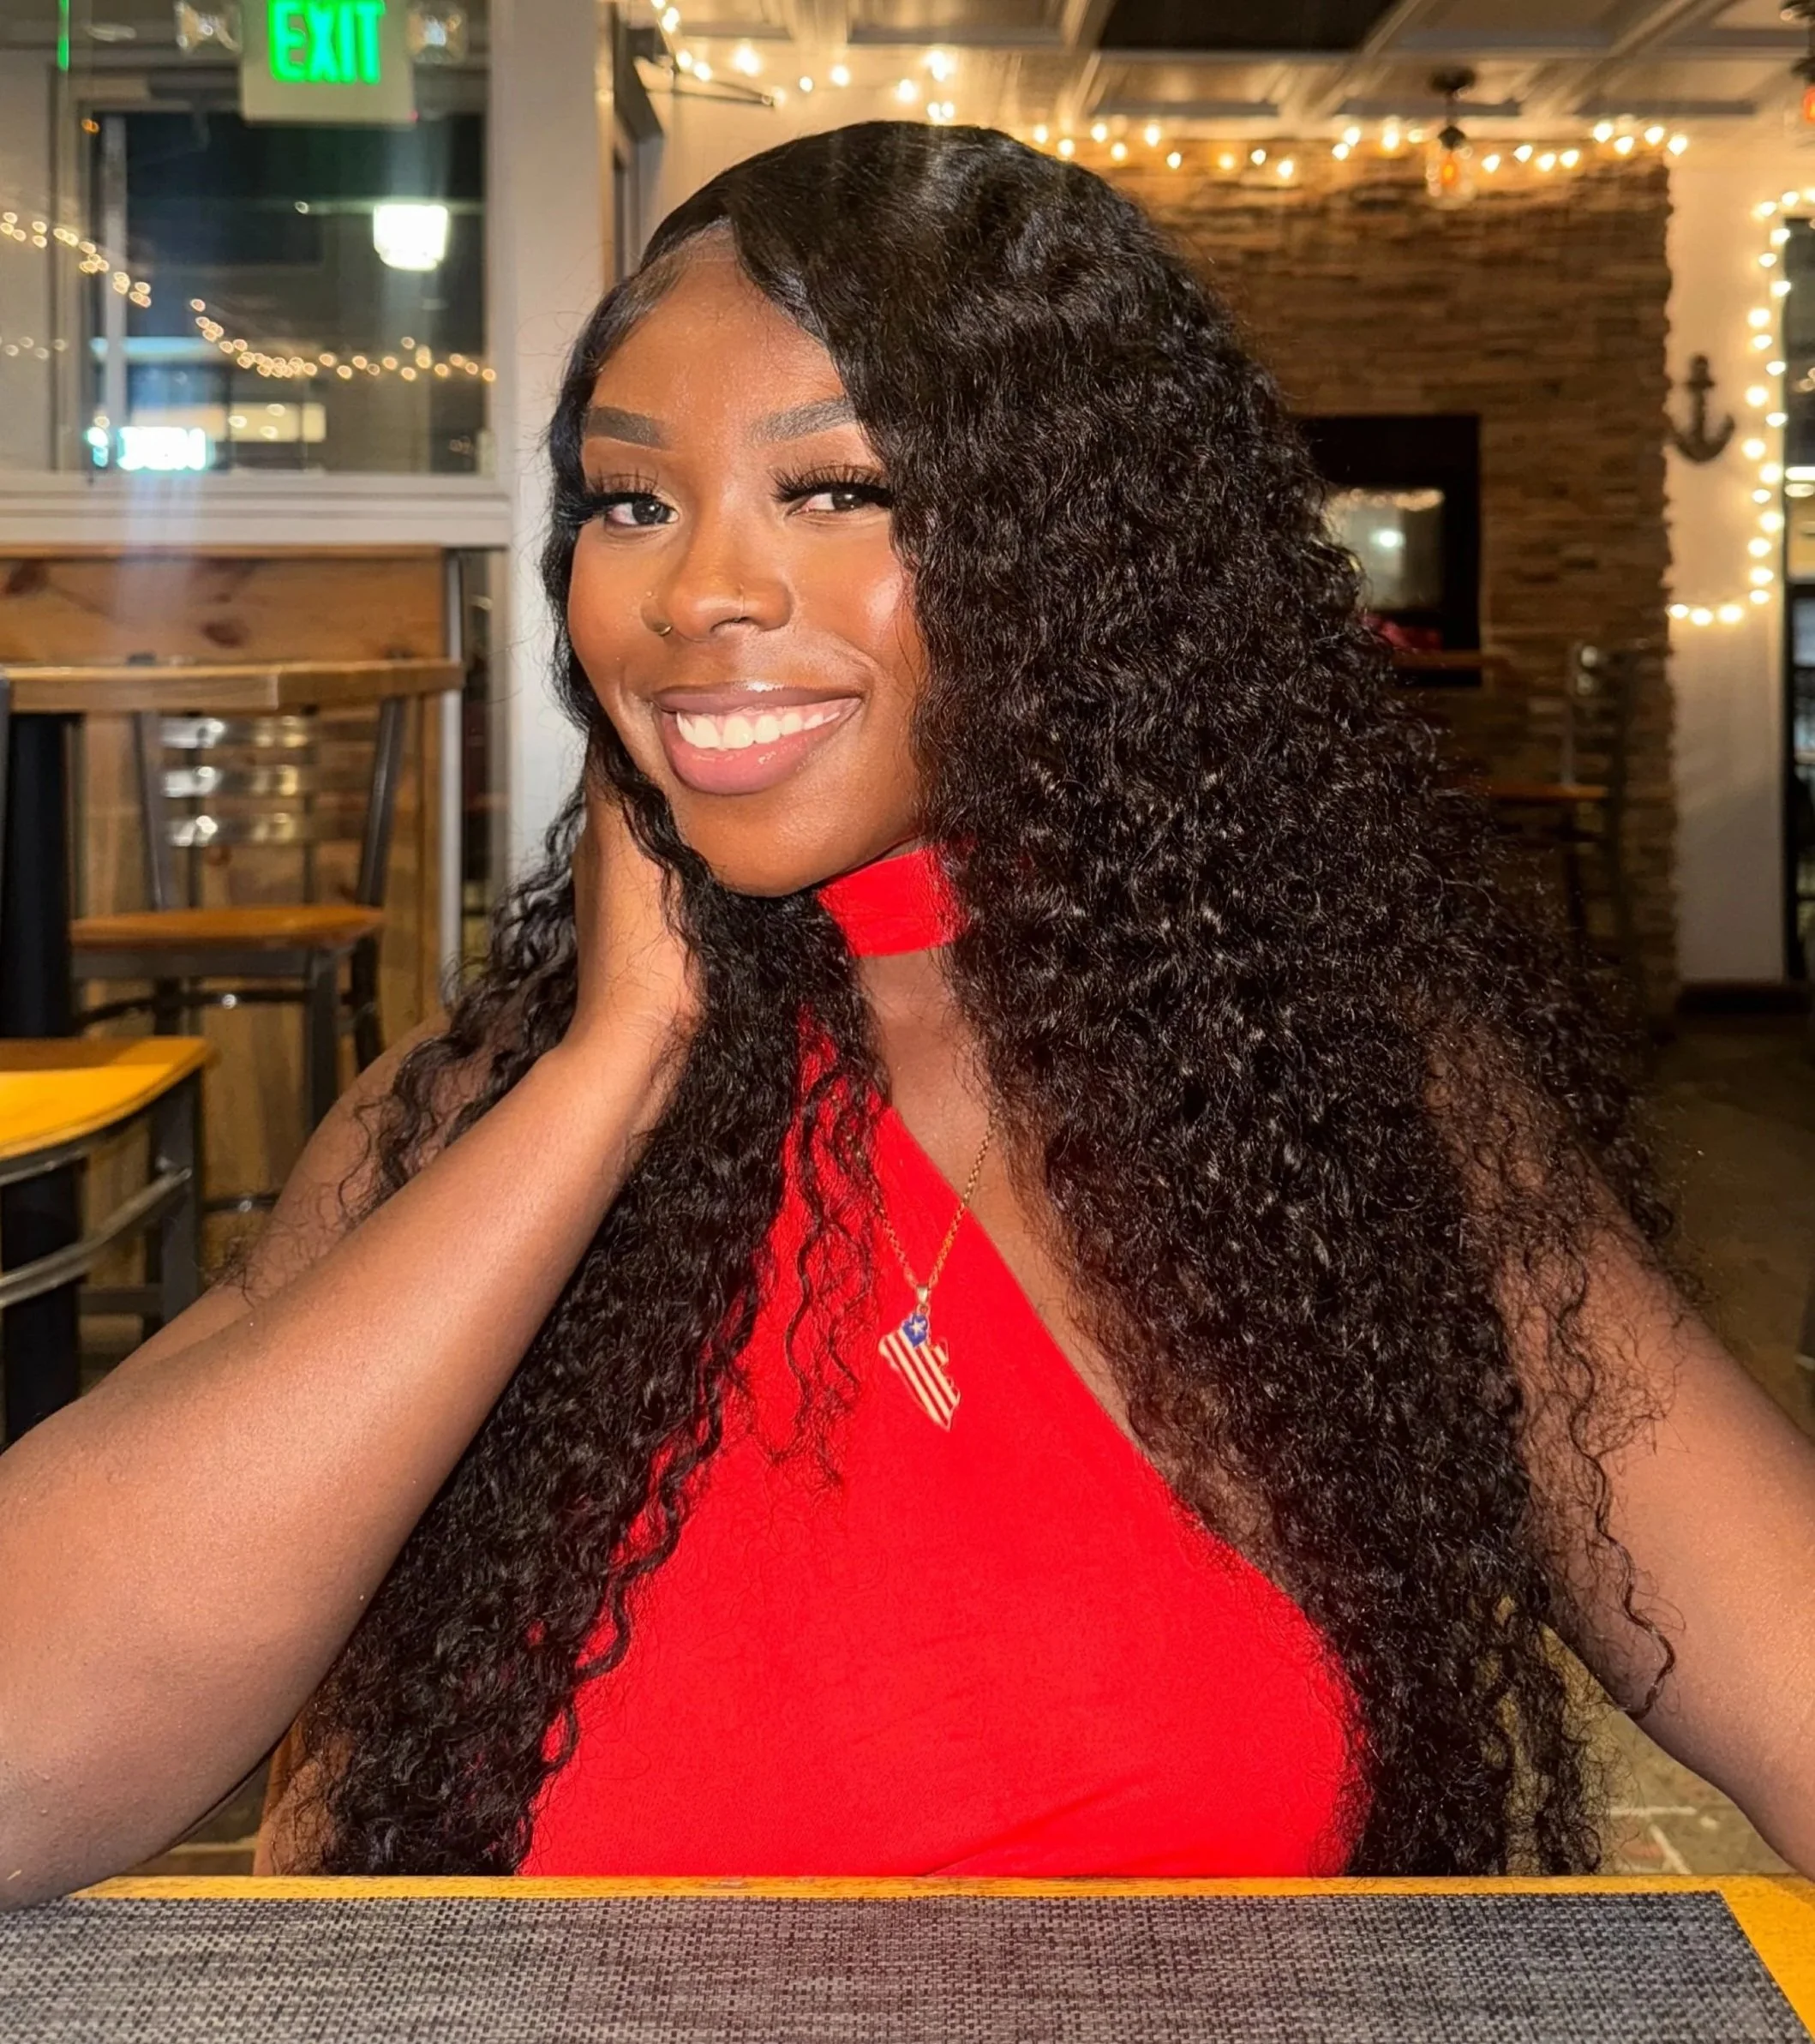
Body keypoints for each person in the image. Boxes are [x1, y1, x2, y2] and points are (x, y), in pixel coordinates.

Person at [2, 122, 1812, 1903]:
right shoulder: (484, 1110)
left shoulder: (1340, 1112)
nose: (697, 592)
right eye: (633, 501)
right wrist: (612, 1069)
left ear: (1083, 554)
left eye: (836, 490)